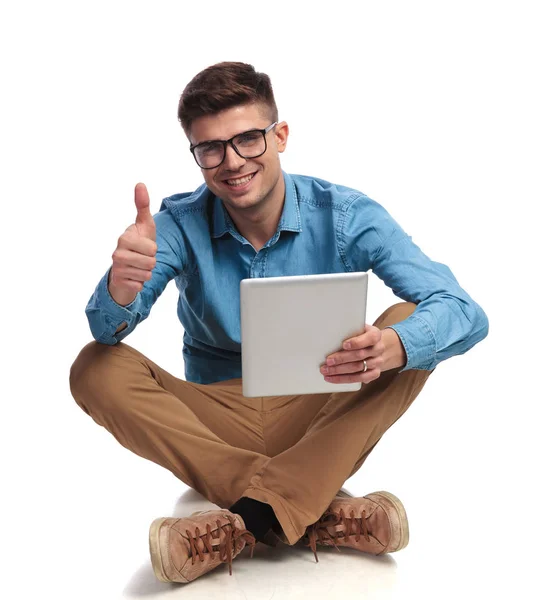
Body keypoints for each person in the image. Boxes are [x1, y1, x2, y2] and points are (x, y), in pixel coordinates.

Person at [69, 61, 489, 584]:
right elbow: (106, 331)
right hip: (216, 418)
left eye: (247, 139)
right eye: (210, 148)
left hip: (320, 411)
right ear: (197, 156)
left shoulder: (344, 213)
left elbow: (464, 311)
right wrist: (120, 289)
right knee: (94, 366)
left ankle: (248, 521)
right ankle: (308, 505)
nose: (231, 161)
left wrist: (394, 345)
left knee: (411, 323)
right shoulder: (177, 222)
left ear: (280, 136)